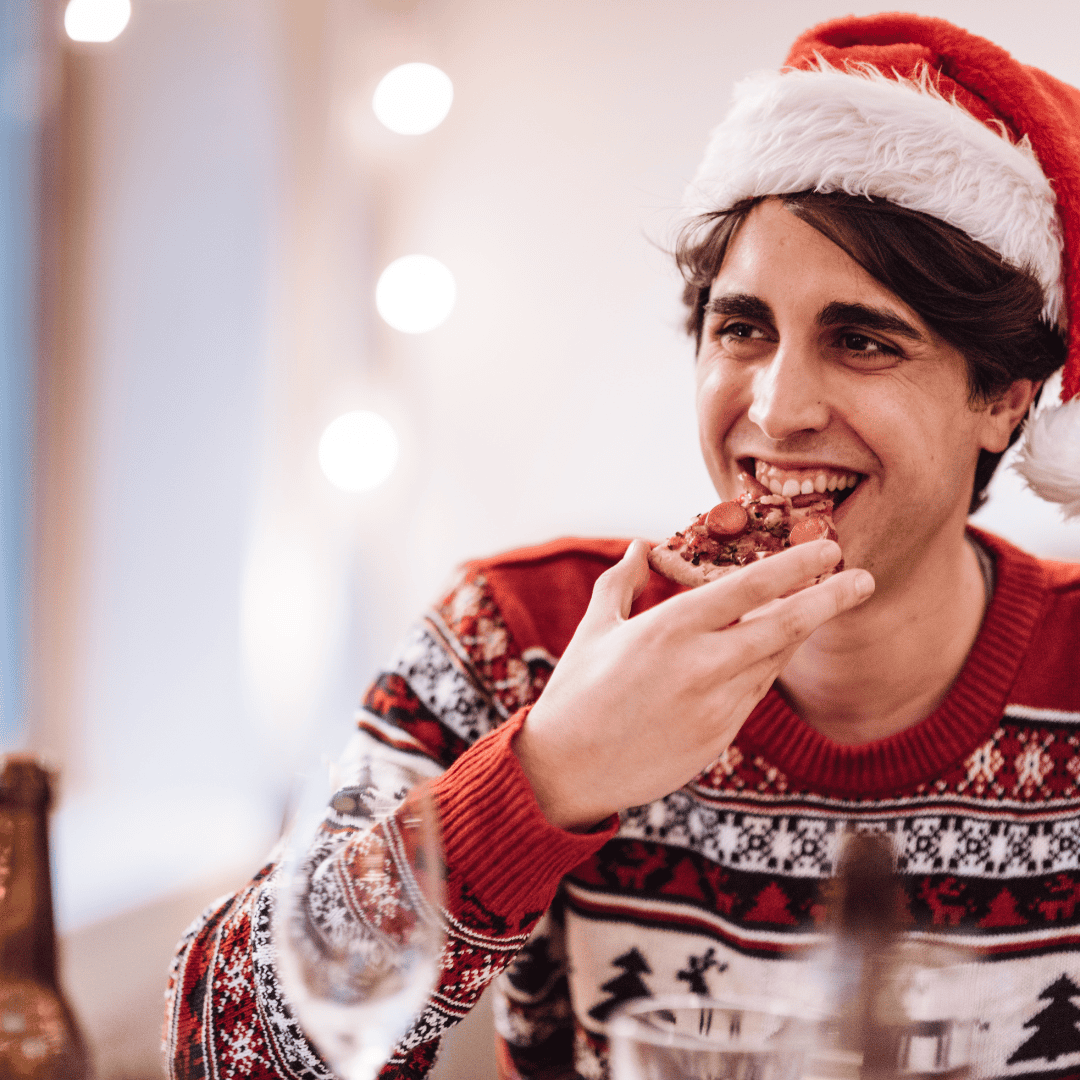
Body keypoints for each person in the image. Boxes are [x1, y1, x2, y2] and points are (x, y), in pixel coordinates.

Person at [165, 13, 1080, 1080]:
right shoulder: (516, 643)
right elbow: (220, 1051)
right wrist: (548, 773)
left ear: (1005, 400)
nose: (778, 410)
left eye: (863, 340)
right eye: (743, 328)